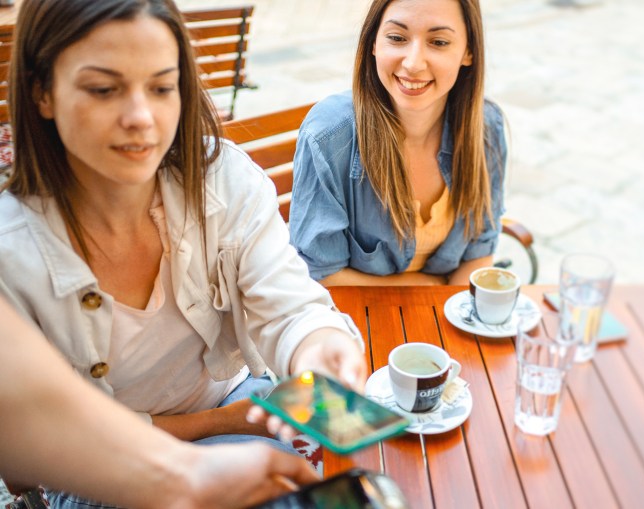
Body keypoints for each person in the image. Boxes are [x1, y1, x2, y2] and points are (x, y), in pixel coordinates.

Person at [0, 0, 366, 505]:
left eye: (161, 87)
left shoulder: (223, 180)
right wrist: (214, 430)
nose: (140, 117)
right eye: (104, 89)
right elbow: (29, 447)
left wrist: (317, 343)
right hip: (102, 466)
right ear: (42, 92)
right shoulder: (10, 257)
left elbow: (288, 302)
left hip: (240, 401)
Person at [0, 297, 320, 509]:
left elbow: (283, 298)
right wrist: (226, 422)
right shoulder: (17, 259)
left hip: (233, 392)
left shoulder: (213, 204)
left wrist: (315, 344)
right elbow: (23, 465)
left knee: (312, 466)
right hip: (107, 455)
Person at [289, 0, 508, 287]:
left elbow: (478, 254)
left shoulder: (486, 128)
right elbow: (322, 275)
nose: (413, 63)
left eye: (439, 41)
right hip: (354, 322)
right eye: (396, 38)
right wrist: (428, 288)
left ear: (468, 51)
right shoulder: (329, 136)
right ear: (374, 43)